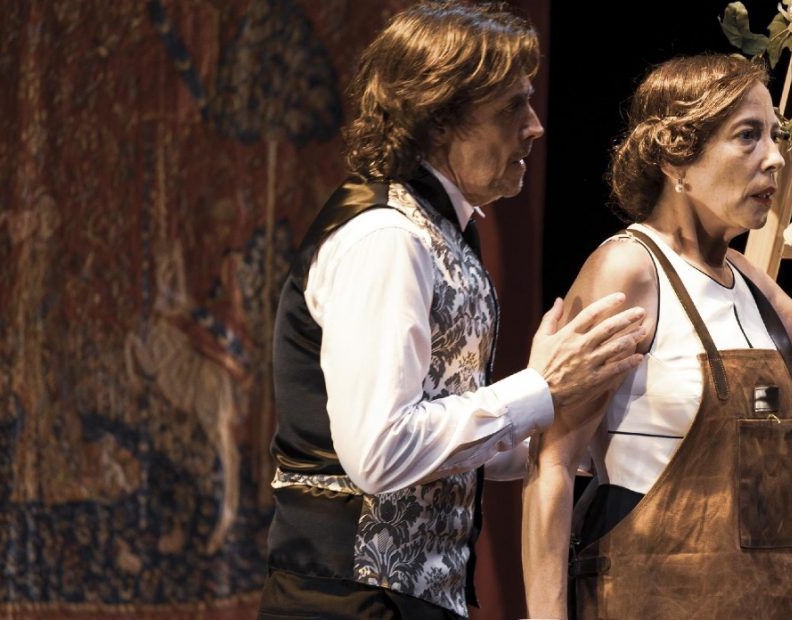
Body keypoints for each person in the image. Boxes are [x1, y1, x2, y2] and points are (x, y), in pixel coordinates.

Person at [260, 3, 647, 618]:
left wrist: (580, 432)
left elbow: (447, 444)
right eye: (511, 108)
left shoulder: (442, 233)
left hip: (409, 600)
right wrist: (541, 388)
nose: (535, 127)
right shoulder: (388, 238)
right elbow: (381, 453)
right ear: (440, 120)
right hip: (351, 599)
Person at [521, 54, 792, 619]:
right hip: (647, 600)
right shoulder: (630, 268)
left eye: (774, 136)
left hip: (761, 601)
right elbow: (551, 464)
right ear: (677, 158)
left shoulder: (743, 275)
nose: (774, 157)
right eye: (747, 136)